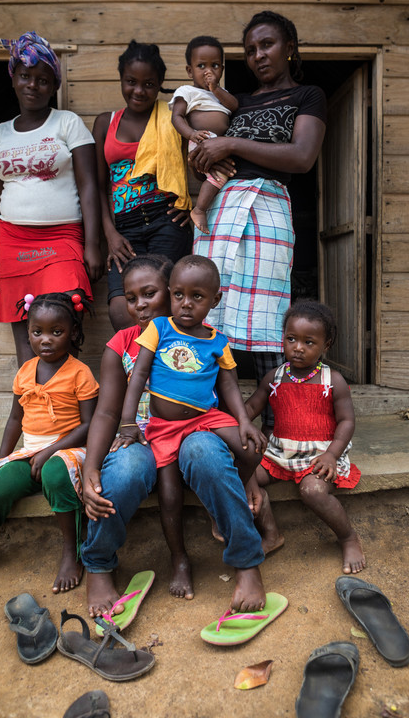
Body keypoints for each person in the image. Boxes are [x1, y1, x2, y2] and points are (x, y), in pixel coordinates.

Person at [81, 256, 267, 618]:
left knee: (208, 457)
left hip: (195, 431)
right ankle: (99, 565)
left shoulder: (206, 338)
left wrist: (244, 475)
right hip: (140, 436)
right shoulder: (121, 344)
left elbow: (222, 392)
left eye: (150, 294)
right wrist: (91, 465)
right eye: (131, 299)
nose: (140, 305)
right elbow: (105, 412)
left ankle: (246, 562)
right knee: (121, 474)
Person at [191, 11, 327, 429]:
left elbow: (302, 157)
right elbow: (208, 147)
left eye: (266, 45)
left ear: (289, 47)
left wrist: (231, 142)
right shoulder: (240, 103)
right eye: (250, 50)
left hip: (268, 205)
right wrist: (204, 156)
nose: (258, 56)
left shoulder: (308, 95)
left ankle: (274, 422)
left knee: (269, 317)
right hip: (221, 207)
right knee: (211, 309)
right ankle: (207, 420)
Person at [0, 293, 99, 600]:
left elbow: (89, 425)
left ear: (73, 333)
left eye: (57, 332)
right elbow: (15, 418)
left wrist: (50, 451)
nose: (46, 339)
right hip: (31, 451)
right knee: (0, 484)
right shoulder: (25, 371)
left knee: (56, 474)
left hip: (71, 449)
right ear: (28, 332)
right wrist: (3, 460)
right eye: (37, 332)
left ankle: (71, 552)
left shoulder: (79, 373)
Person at [0, 31, 103, 366]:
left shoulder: (68, 124)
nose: (33, 85)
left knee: (65, 326)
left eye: (42, 80)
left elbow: (89, 185)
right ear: (13, 80)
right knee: (27, 338)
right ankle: (31, 414)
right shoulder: (0, 133)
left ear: (54, 86)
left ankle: (67, 407)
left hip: (62, 239)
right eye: (25, 76)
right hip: (12, 243)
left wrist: (92, 244)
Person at [245, 300, 365, 574]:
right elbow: (251, 408)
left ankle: (347, 537)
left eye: (309, 342)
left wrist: (332, 454)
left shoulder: (332, 380)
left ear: (326, 345)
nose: (298, 347)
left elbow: (347, 421)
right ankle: (271, 533)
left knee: (312, 491)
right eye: (291, 339)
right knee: (241, 476)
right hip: (280, 454)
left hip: (319, 455)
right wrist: (230, 420)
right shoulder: (274, 377)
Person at [93, 41, 194, 332]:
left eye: (149, 84)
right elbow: (100, 187)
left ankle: (163, 375)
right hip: (124, 230)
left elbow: (198, 157)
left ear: (160, 84)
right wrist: (110, 233)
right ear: (121, 79)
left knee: (163, 306)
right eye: (131, 82)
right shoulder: (105, 124)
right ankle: (135, 375)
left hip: (166, 221)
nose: (139, 90)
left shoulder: (173, 118)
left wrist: (194, 207)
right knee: (121, 310)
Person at [169, 36, 239, 234]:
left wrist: (216, 89)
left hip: (220, 144)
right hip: (201, 140)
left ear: (222, 70)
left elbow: (234, 106)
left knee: (224, 173)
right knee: (219, 176)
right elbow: (177, 117)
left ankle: (207, 208)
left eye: (215, 65)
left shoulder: (221, 93)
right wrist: (191, 134)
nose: (208, 71)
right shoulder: (187, 91)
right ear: (190, 71)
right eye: (201, 66)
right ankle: (199, 209)